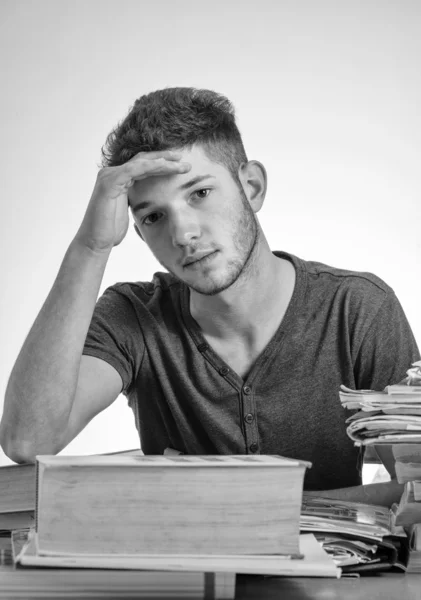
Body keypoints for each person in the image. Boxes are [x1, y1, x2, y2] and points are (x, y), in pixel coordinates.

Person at [1, 87, 419, 506]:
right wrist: (91, 246)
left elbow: (414, 489)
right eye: (153, 216)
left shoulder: (358, 310)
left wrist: (248, 513)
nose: (183, 235)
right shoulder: (132, 318)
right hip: (184, 573)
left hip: (332, 570)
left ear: (251, 187)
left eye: (199, 193)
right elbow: (27, 438)